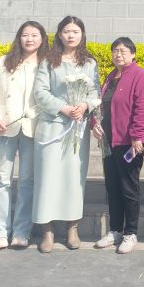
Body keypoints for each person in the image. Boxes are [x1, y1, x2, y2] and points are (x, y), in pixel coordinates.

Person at [32, 16, 100, 253]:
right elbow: (40, 92)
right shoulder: (48, 61)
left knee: (73, 178)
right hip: (52, 126)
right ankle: (47, 230)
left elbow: (95, 91)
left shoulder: (89, 63)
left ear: (82, 35)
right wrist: (63, 108)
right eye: (67, 31)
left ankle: (72, 227)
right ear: (59, 34)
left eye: (75, 31)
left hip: (77, 129)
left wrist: (85, 105)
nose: (71, 35)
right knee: (47, 178)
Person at [0, 20, 48, 250]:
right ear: (19, 38)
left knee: (28, 181)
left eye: (34, 35)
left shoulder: (46, 64)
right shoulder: (5, 61)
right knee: (1, 180)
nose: (29, 39)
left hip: (33, 129)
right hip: (4, 128)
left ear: (42, 39)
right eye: (25, 35)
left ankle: (21, 231)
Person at [91, 37, 144, 254]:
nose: (118, 54)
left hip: (129, 142)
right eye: (115, 50)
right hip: (109, 141)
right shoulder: (111, 77)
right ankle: (115, 230)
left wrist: (137, 136)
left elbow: (143, 108)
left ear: (133, 54)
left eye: (123, 50)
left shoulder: (140, 76)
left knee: (128, 187)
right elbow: (99, 106)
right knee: (113, 187)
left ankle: (130, 232)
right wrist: (94, 124)